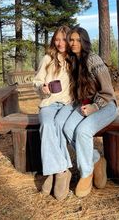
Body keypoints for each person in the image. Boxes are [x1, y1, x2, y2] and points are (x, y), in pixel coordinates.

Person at [63, 26, 118, 198]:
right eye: (71, 39)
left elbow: (108, 91)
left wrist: (95, 106)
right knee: (67, 129)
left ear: (84, 41)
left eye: (78, 40)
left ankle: (86, 174)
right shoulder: (73, 61)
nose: (74, 43)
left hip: (106, 106)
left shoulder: (93, 59)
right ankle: (96, 159)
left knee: (83, 131)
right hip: (85, 105)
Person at [33, 25, 74, 201]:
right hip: (48, 104)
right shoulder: (47, 59)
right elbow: (37, 82)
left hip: (68, 104)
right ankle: (62, 171)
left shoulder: (75, 59)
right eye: (56, 39)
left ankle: (51, 173)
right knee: (47, 125)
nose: (59, 43)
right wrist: (42, 88)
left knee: (59, 125)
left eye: (63, 39)